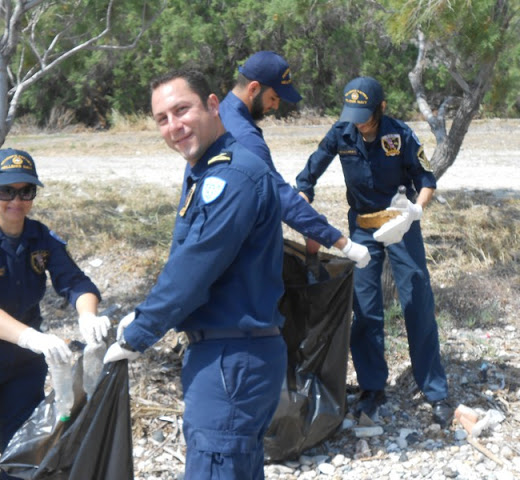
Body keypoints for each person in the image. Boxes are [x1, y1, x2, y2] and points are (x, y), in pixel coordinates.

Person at [103, 69, 287, 479]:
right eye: (162, 119)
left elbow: (195, 266)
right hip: (227, 357)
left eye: (181, 110)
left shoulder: (231, 176)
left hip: (231, 360)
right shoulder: (206, 169)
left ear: (213, 104)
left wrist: (140, 332)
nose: (173, 126)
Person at [0, 148, 111, 479]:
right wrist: (30, 337)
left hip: (24, 365)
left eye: (25, 191)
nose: (16, 200)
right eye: (6, 191)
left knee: (24, 454)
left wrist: (88, 315)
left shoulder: (41, 238)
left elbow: (75, 282)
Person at [295, 76, 452, 426]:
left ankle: (435, 390)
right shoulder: (342, 132)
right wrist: (303, 199)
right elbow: (308, 174)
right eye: (353, 113)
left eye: (365, 114)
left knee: (417, 302)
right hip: (362, 228)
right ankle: (372, 388)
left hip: (401, 225)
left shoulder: (400, 134)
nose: (359, 121)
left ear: (381, 108)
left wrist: (416, 210)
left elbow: (426, 179)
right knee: (365, 309)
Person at [219, 50, 370, 268]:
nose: (275, 106)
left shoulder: (222, 112)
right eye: (273, 97)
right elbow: (276, 193)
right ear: (253, 88)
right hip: (238, 252)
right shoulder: (244, 135)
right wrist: (343, 243)